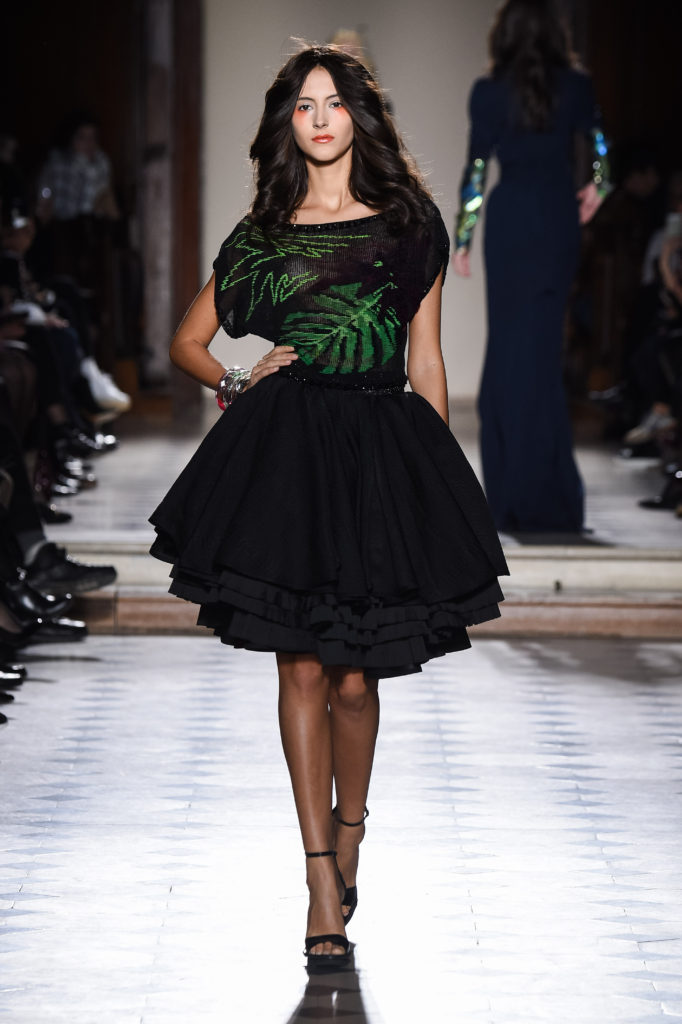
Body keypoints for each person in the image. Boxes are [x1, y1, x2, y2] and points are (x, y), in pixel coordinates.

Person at [150, 45, 508, 969]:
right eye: (304, 104)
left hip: (381, 451)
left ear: (358, 117)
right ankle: (320, 882)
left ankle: (351, 832)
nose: (318, 117)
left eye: (334, 101)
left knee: (356, 675)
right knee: (302, 668)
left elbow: (424, 358)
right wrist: (239, 375)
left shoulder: (408, 225)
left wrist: (436, 483)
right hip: (286, 454)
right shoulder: (265, 232)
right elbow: (188, 341)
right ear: (289, 124)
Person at [453, 0, 611, 534]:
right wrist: (596, 190)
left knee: (507, 350)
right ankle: (551, 497)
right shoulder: (578, 86)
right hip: (556, 217)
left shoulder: (488, 91)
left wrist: (464, 235)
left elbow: (477, 167)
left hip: (513, 218)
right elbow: (600, 151)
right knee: (543, 353)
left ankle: (510, 497)